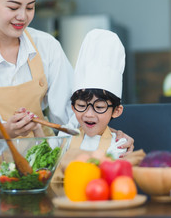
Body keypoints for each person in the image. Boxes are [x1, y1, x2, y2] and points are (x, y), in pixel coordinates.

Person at [0, 0, 134, 177]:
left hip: (41, 168)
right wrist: (7, 130)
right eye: (13, 7)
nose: (22, 16)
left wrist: (106, 136)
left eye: (30, 7)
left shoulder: (46, 46)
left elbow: (71, 115)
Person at [52, 29, 129, 183]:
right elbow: (48, 157)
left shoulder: (118, 145)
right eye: (81, 105)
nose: (89, 114)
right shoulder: (65, 137)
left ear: (116, 110)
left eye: (99, 107)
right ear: (73, 107)